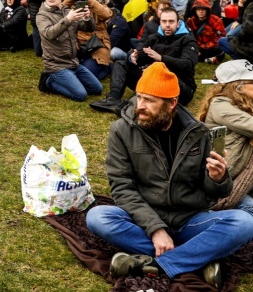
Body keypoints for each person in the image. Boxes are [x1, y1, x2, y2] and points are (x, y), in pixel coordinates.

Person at [85, 62, 253, 289]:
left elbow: (215, 195)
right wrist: (156, 229)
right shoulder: (121, 130)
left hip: (189, 219)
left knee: (244, 222)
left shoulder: (199, 132)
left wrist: (218, 178)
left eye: (149, 100)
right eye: (139, 97)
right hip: (143, 218)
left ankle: (159, 263)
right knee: (98, 217)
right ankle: (196, 258)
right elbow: (122, 187)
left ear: (171, 103)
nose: (140, 106)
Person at [90, 7, 199, 114]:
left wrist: (161, 58)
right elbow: (141, 52)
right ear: (160, 22)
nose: (167, 25)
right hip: (153, 80)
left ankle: (129, 105)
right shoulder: (154, 38)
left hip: (181, 87)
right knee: (121, 64)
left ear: (178, 23)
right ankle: (113, 99)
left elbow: (187, 64)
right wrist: (133, 56)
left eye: (171, 21)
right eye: (164, 21)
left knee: (157, 73)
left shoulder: (188, 40)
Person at [197, 59, 253, 213]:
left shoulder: (245, 104)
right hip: (219, 186)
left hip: (238, 177)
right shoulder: (220, 105)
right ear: (238, 86)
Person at [36, 0, 103, 101]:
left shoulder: (68, 11)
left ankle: (70, 78)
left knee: (97, 89)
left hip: (73, 62)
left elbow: (89, 29)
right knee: (80, 95)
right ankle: (49, 82)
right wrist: (68, 19)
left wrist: (87, 17)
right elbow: (49, 34)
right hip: (56, 64)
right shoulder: (42, 15)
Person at [65, 0, 113, 80]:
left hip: (97, 45)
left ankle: (107, 68)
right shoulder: (76, 4)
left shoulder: (100, 5)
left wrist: (90, 0)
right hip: (79, 46)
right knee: (68, 71)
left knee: (87, 76)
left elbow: (106, 14)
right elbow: (61, 7)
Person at [185, 0, 226, 65]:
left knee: (220, 48)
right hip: (196, 46)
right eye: (198, 9)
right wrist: (196, 48)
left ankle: (200, 57)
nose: (200, 11)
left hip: (211, 47)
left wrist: (202, 48)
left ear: (207, 10)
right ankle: (207, 59)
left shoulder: (216, 20)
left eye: (203, 9)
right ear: (195, 10)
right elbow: (188, 37)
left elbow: (219, 38)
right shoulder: (190, 22)